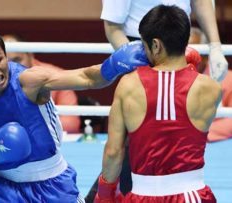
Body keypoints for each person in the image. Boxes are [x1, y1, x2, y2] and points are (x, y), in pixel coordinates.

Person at [0, 26, 149, 202]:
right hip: (1, 186)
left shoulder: (29, 81)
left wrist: (113, 65)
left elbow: (87, 78)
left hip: (50, 185)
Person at [95, 5, 221, 202]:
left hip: (143, 195)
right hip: (194, 196)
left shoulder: (128, 85)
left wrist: (104, 194)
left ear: (155, 45)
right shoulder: (211, 89)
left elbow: (113, 152)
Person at [100, 0, 228, 82]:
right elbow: (112, 27)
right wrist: (134, 60)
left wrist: (215, 46)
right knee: (139, 117)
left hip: (180, 47)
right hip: (141, 47)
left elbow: (201, 2)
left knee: (182, 117)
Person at [2, 34, 81, 133]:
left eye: (17, 60)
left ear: (30, 56)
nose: (12, 67)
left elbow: (71, 123)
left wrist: (28, 125)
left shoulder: (55, 76)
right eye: (5, 62)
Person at [189, 27, 232, 142]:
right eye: (180, 52)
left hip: (217, 149)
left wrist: (193, 134)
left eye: (191, 52)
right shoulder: (166, 79)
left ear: (206, 57)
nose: (185, 58)